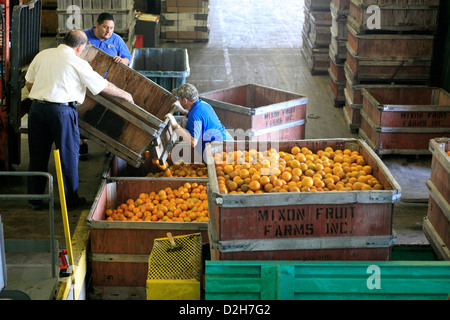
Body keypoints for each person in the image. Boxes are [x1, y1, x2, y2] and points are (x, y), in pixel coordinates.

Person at [25, 30, 134, 210]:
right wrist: (126, 95)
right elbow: (102, 86)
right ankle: (70, 200)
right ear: (81, 47)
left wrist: (45, 92)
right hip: (61, 113)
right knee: (67, 156)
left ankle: (35, 199)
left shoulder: (42, 55)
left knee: (37, 155)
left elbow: (29, 83)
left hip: (37, 110)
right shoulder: (77, 62)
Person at [81, 12, 133, 159]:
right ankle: (82, 145)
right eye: (105, 27)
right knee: (82, 113)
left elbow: (127, 58)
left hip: (108, 84)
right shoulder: (84, 38)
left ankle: (109, 146)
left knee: (109, 114)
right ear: (97, 25)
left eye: (111, 28)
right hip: (86, 84)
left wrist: (121, 60)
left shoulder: (116, 40)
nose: (109, 31)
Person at [165, 83, 233, 161]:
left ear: (185, 100)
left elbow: (193, 142)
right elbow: (199, 119)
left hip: (219, 150)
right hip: (227, 142)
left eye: (179, 98)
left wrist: (175, 125)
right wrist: (183, 111)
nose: (178, 100)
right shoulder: (203, 104)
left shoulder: (195, 114)